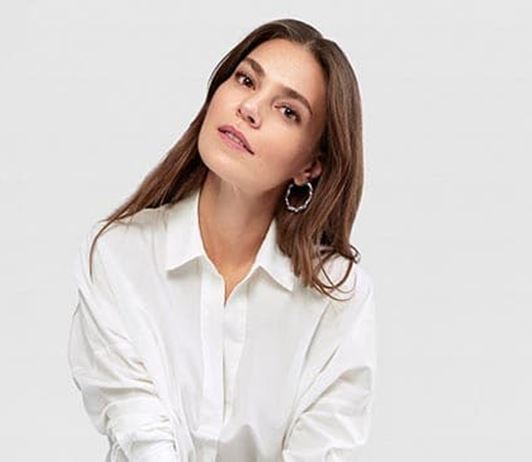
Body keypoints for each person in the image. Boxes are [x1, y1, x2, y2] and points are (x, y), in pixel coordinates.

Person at [68, 18, 376, 462]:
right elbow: (141, 435)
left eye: (288, 111)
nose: (250, 108)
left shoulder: (338, 295)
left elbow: (320, 448)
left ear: (310, 166)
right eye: (246, 80)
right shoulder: (119, 255)